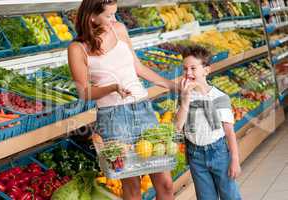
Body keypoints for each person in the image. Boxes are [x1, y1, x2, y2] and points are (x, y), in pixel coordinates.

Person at [68, 0, 177, 199]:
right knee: (133, 187)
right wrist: (112, 88)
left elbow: (138, 67)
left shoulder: (119, 29)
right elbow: (84, 92)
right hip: (113, 118)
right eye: (109, 15)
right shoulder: (78, 48)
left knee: (166, 184)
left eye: (115, 14)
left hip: (143, 110)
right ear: (92, 16)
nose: (114, 19)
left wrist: (170, 85)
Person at [174, 45, 242, 200]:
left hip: (219, 152)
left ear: (206, 70)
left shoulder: (219, 97)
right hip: (195, 155)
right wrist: (184, 101)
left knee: (230, 195)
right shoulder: (184, 96)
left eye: (193, 68)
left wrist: (235, 160)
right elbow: (177, 127)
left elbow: (229, 132)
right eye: (185, 69)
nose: (188, 73)